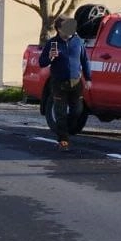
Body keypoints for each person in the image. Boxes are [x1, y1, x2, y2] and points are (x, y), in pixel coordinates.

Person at [39, 16, 91, 151]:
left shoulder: (78, 42)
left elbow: (85, 60)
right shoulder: (52, 43)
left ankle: (64, 129)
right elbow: (42, 62)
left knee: (77, 111)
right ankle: (63, 140)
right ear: (59, 29)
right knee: (60, 112)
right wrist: (50, 57)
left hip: (76, 81)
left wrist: (88, 78)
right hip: (58, 82)